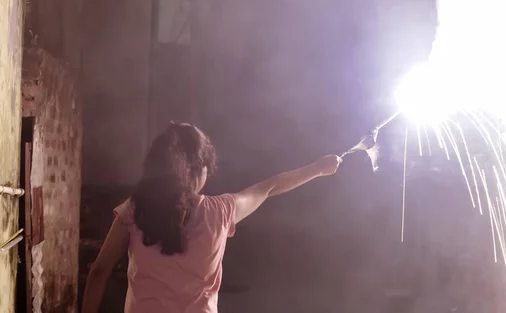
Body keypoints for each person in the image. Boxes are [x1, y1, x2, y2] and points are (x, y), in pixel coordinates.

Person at [81, 122, 342, 313]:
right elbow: (269, 187)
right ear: (198, 169)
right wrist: (317, 169)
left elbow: (99, 272)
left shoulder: (135, 209)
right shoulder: (221, 211)